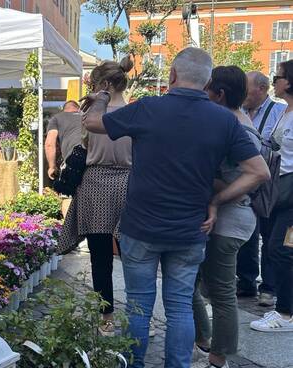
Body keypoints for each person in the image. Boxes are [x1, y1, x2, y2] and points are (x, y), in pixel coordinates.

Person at [81, 47, 270, 368]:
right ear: (207, 80)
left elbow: (94, 122)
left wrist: (101, 95)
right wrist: (216, 199)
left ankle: (135, 364)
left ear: (171, 76)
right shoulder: (224, 119)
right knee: (181, 306)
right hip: (190, 230)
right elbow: (259, 172)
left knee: (139, 306)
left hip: (140, 227)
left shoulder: (148, 108)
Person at [191, 66, 261, 368]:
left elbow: (251, 177)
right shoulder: (233, 122)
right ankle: (205, 340)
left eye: (207, 89)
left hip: (228, 222)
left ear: (218, 94)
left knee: (220, 293)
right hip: (225, 220)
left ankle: (218, 358)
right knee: (195, 285)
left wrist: (214, 194)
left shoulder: (236, 128)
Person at [61, 58, 132, 336]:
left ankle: (107, 318)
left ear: (103, 84)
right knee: (135, 256)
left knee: (100, 257)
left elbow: (84, 145)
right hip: (128, 184)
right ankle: (141, 315)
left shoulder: (90, 116)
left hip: (95, 185)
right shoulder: (134, 114)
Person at [236, 71, 287, 304]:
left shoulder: (279, 111)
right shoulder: (241, 112)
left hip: (271, 181)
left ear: (261, 89)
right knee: (246, 233)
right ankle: (246, 281)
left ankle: (269, 287)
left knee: (269, 234)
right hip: (246, 178)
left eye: (246, 89)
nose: (243, 94)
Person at [250, 59, 293, 333]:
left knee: (283, 249)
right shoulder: (285, 112)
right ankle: (284, 309)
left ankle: (286, 314)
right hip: (279, 190)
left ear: (289, 82)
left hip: (291, 194)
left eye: (277, 77)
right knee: (278, 248)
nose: (274, 81)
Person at [45, 100, 82, 180]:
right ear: (78, 109)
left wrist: (52, 167)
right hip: (92, 162)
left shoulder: (57, 118)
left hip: (72, 161)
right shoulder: (87, 116)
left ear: (64, 110)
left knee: (69, 190)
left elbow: (50, 144)